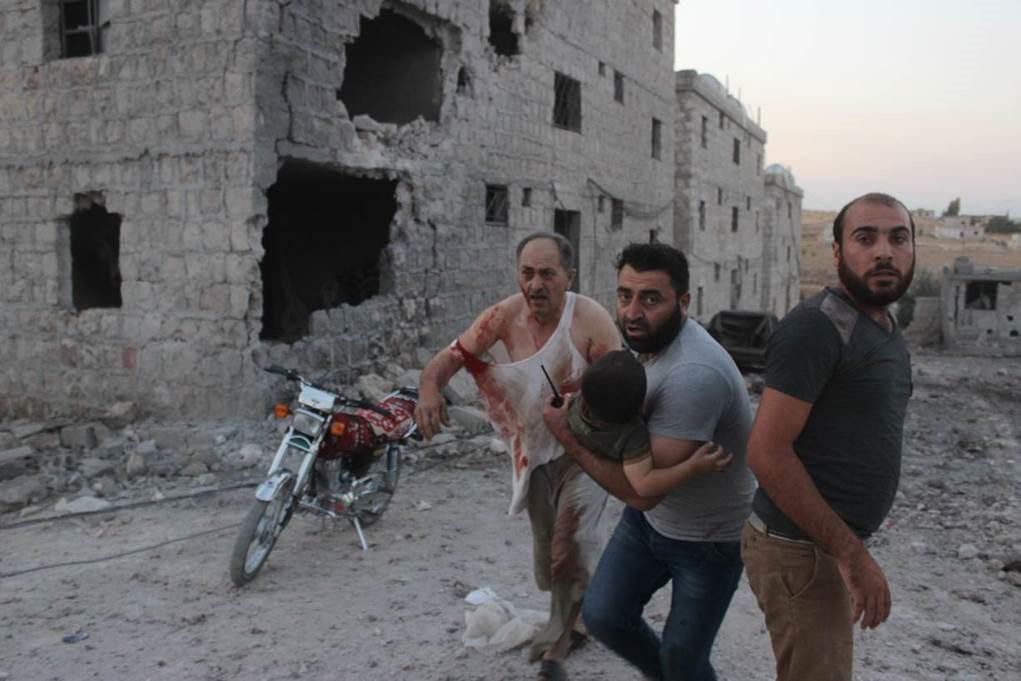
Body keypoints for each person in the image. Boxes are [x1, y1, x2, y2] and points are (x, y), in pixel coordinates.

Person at [414, 232, 621, 681]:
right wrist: (429, 388)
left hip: (586, 451)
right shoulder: (503, 317)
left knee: (572, 540)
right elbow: (451, 357)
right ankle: (575, 613)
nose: (536, 284)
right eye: (527, 273)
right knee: (547, 556)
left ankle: (558, 648)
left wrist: (589, 403)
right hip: (535, 451)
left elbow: (624, 387)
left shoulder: (590, 319)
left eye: (548, 273)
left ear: (569, 276)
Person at [543, 243, 755, 681]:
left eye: (650, 299)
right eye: (625, 296)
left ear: (684, 302)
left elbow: (642, 492)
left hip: (707, 539)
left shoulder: (693, 375)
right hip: (653, 526)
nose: (633, 312)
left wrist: (568, 434)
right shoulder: (647, 342)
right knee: (603, 616)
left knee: (682, 657)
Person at [742, 192, 915, 681]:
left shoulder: (882, 322)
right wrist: (851, 554)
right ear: (837, 252)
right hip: (799, 548)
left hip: (822, 545)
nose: (884, 251)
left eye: (898, 238)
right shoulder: (816, 329)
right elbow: (766, 452)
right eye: (865, 238)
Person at [566, 349, 731, 497]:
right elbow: (644, 486)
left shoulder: (577, 406)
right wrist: (692, 468)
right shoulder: (632, 436)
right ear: (643, 406)